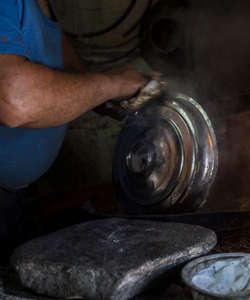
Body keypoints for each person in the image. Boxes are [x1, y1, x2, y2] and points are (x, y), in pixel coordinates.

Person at [0, 0, 147, 257]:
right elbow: (14, 102)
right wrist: (114, 83)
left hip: (14, 196)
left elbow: (70, 69)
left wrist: (112, 97)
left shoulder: (40, 5)